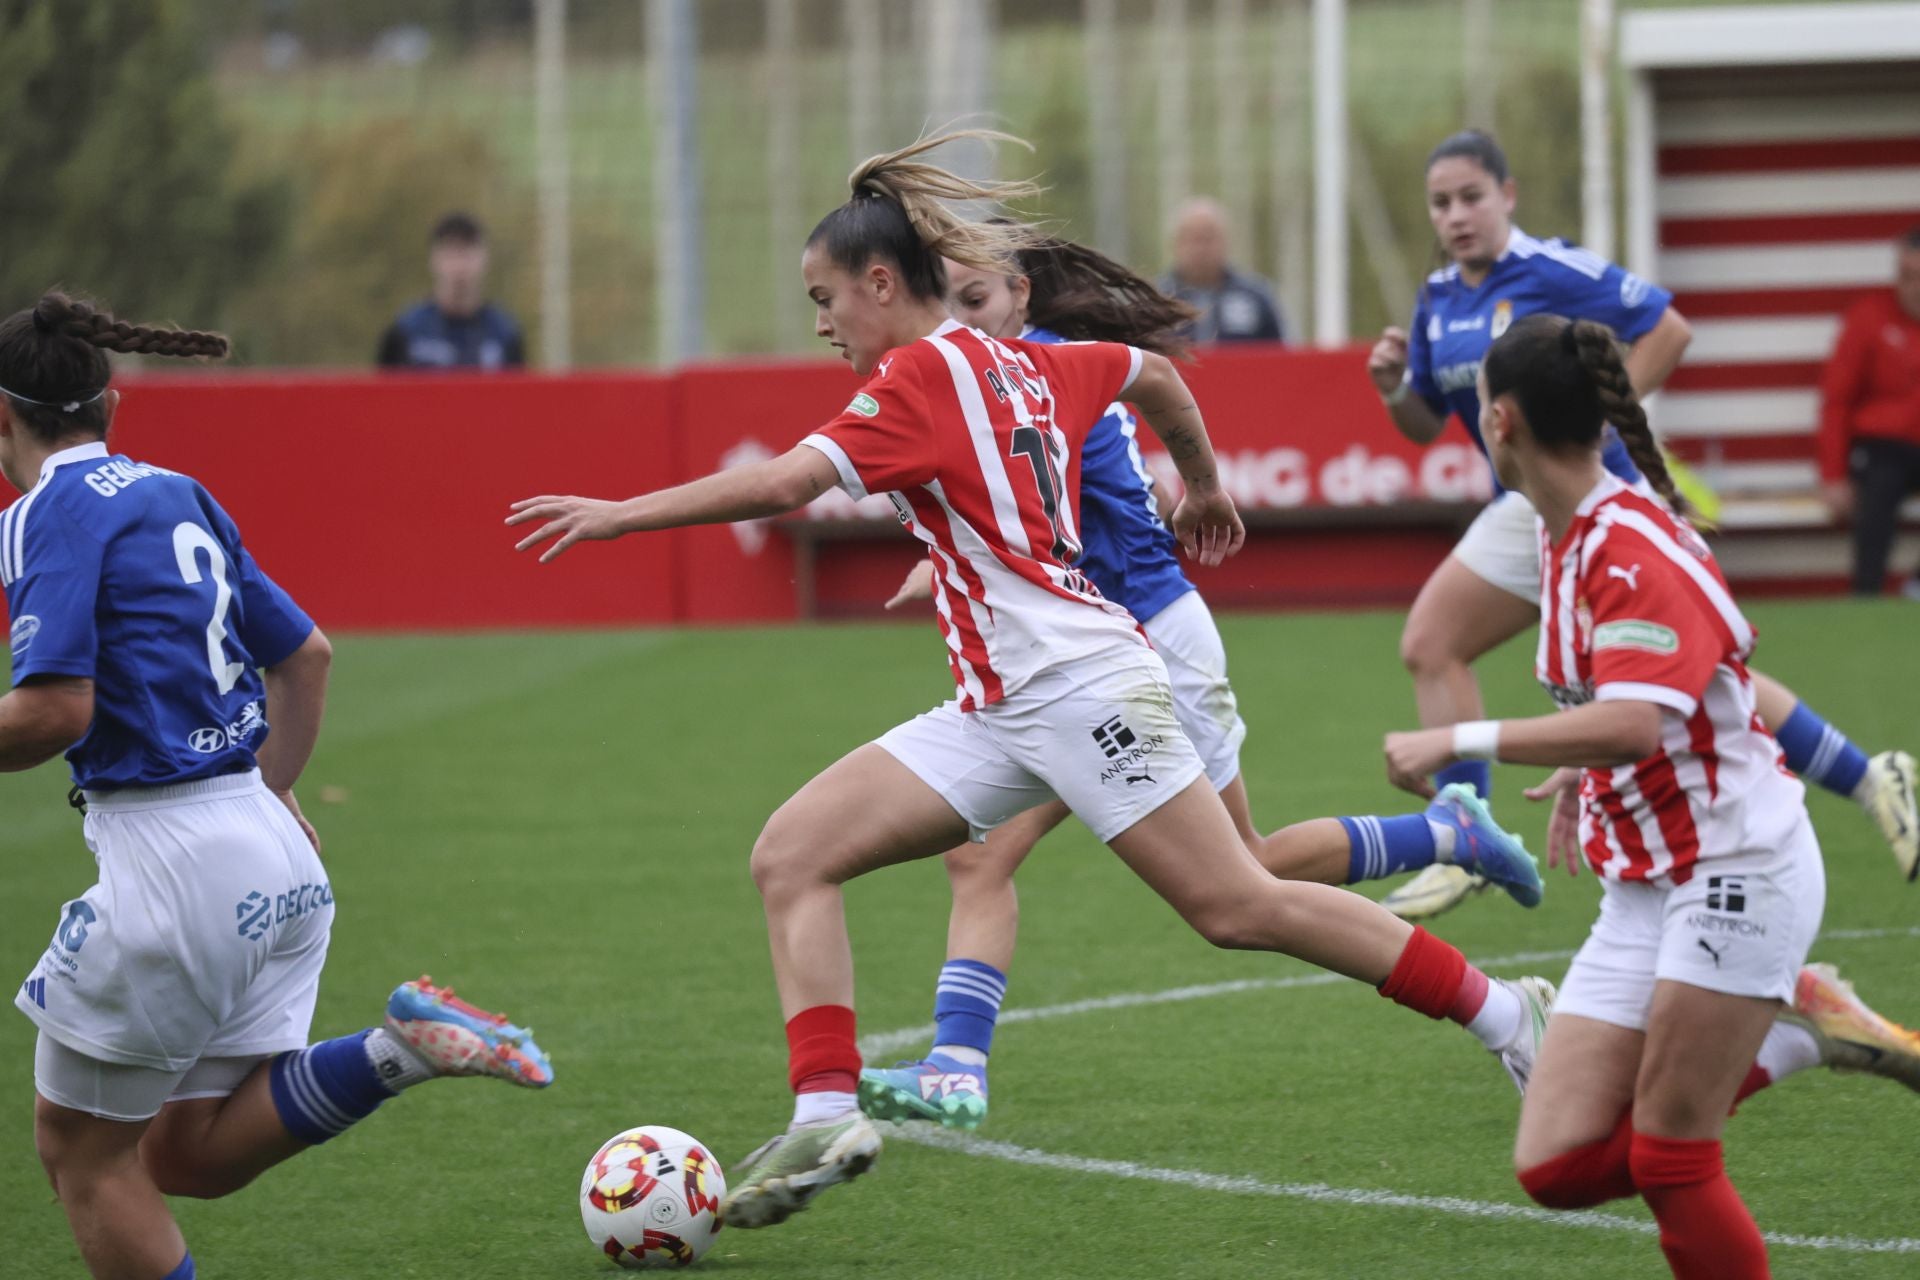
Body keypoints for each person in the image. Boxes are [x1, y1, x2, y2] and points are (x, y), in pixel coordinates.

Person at [509, 130, 1561, 1235]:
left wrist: (620, 513)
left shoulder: (915, 376)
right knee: (792, 852)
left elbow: (781, 481)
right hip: (1005, 705)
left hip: (1082, 687)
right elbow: (1150, 375)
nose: (820, 323)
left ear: (881, 283)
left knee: (1238, 903)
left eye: (825, 297)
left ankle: (1507, 1012)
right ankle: (825, 1110)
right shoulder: (1020, 357)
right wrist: (1198, 481)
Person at [861, 233, 1557, 1132]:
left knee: (1242, 882)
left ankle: (1457, 872)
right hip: (1078, 664)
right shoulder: (1007, 376)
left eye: (978, 300)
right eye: (949, 303)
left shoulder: (1031, 376)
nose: (962, 321)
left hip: (1141, 644)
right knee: (997, 853)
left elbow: (1032, 503)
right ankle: (956, 1064)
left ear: (1022, 298)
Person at [3, 292, 552, 1280]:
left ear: (5, 419)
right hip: (273, 855)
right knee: (184, 1153)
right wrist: (268, 787)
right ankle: (401, 1048)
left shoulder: (44, 509)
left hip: (171, 871)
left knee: (82, 1157)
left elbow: (54, 711)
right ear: (112, 402)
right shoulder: (178, 489)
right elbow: (307, 654)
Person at [1381, 313, 1920, 1279]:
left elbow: (1634, 721)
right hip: (1644, 886)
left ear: (1499, 419)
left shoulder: (1629, 546)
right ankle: (1804, 1033)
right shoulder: (1564, 537)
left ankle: (1793, 1025)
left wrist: (1457, 738)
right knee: (1552, 1164)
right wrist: (1583, 776)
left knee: (1674, 1155)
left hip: (1737, 867)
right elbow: (1642, 712)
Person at [1368, 130, 1917, 917]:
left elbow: (1669, 328)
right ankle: (1467, 829)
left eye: (1471, 197)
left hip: (1598, 495)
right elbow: (1422, 426)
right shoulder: (1438, 299)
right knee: (1431, 644)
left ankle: (1867, 776)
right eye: (1440, 203)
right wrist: (1393, 389)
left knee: (1699, 679)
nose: (1456, 215)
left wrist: (1588, 414)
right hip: (1524, 507)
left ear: (1508, 195)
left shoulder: (1554, 271)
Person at [1818, 224, 1920, 601]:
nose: (1913, 287)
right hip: (1883, 445)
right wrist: (1832, 475)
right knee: (1878, 489)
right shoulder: (1869, 316)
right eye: (1906, 276)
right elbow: (1836, 400)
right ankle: (1867, 597)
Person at [376, 211, 526, 371]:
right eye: (451, 253)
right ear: (434, 259)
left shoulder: (504, 333)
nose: (459, 266)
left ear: (484, 259)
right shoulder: (407, 331)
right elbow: (384, 393)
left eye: (467, 254)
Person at [1157, 196, 1286, 344]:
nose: (1200, 248)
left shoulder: (1255, 297)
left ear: (1226, 241)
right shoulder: (1156, 300)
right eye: (1192, 238)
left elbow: (1282, 354)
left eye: (1208, 238)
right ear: (1176, 243)